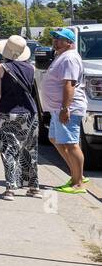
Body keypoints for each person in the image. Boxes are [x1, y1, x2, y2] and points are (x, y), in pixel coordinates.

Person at [0, 34, 42, 200]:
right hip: (30, 114)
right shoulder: (32, 68)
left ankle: (10, 188)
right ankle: (34, 187)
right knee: (30, 151)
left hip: (7, 114)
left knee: (9, 150)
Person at [42, 27, 89, 193]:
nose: (55, 40)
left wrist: (65, 108)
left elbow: (69, 85)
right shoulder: (61, 56)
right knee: (55, 138)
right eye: (54, 37)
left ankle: (78, 184)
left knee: (71, 144)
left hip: (67, 107)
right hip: (57, 108)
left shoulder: (69, 58)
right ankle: (76, 175)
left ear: (69, 42)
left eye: (60, 38)